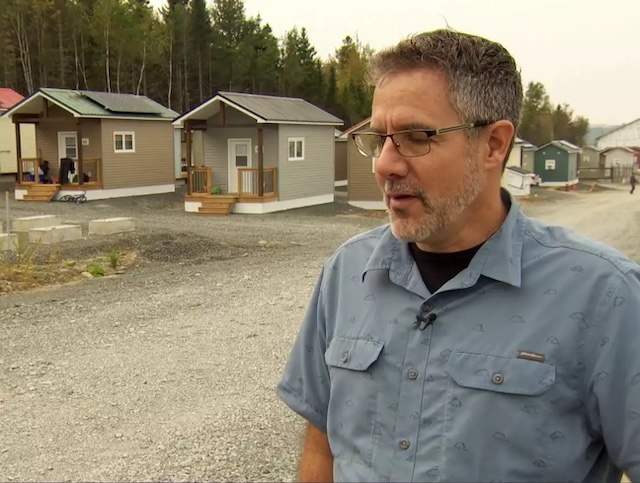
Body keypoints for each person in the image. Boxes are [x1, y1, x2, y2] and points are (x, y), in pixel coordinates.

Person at [276, 29, 640, 483]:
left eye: (416, 136)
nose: (385, 164)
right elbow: (322, 442)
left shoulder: (606, 296)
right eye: (380, 138)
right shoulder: (348, 273)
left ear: (493, 145)